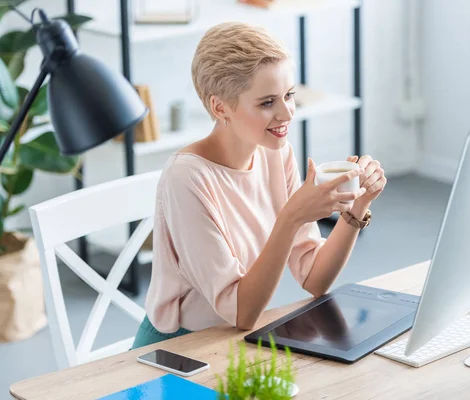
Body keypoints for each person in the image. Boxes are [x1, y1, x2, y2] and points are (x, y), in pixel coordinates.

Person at [131, 21, 387, 349]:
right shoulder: (187, 178)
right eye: (267, 103)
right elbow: (242, 311)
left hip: (236, 341)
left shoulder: (275, 154)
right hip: (178, 350)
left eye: (289, 95)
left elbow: (314, 278)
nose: (286, 113)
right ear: (220, 107)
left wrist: (357, 207)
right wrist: (292, 216)